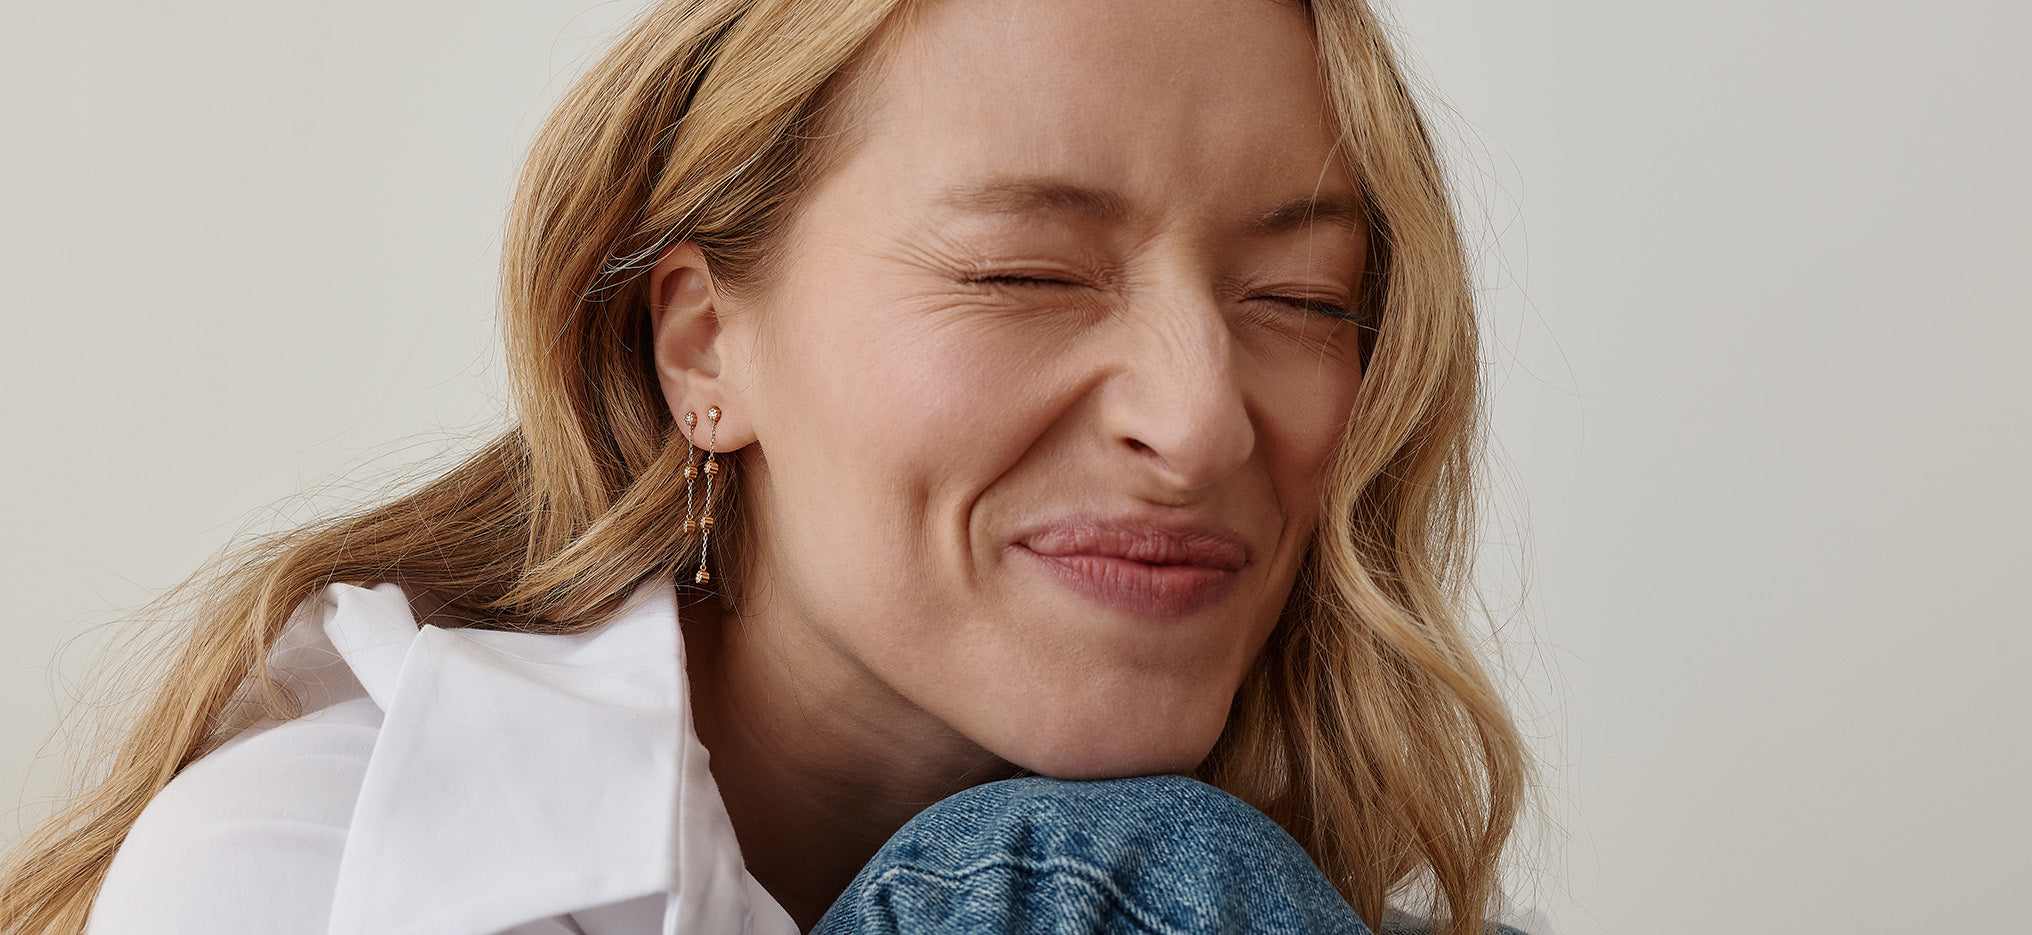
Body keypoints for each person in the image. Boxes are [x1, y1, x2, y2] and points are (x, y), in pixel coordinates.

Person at [0, 0, 1530, 932]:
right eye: (1023, 274)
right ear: (702, 350)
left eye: (1301, 301)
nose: (1199, 420)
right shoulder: (328, 877)